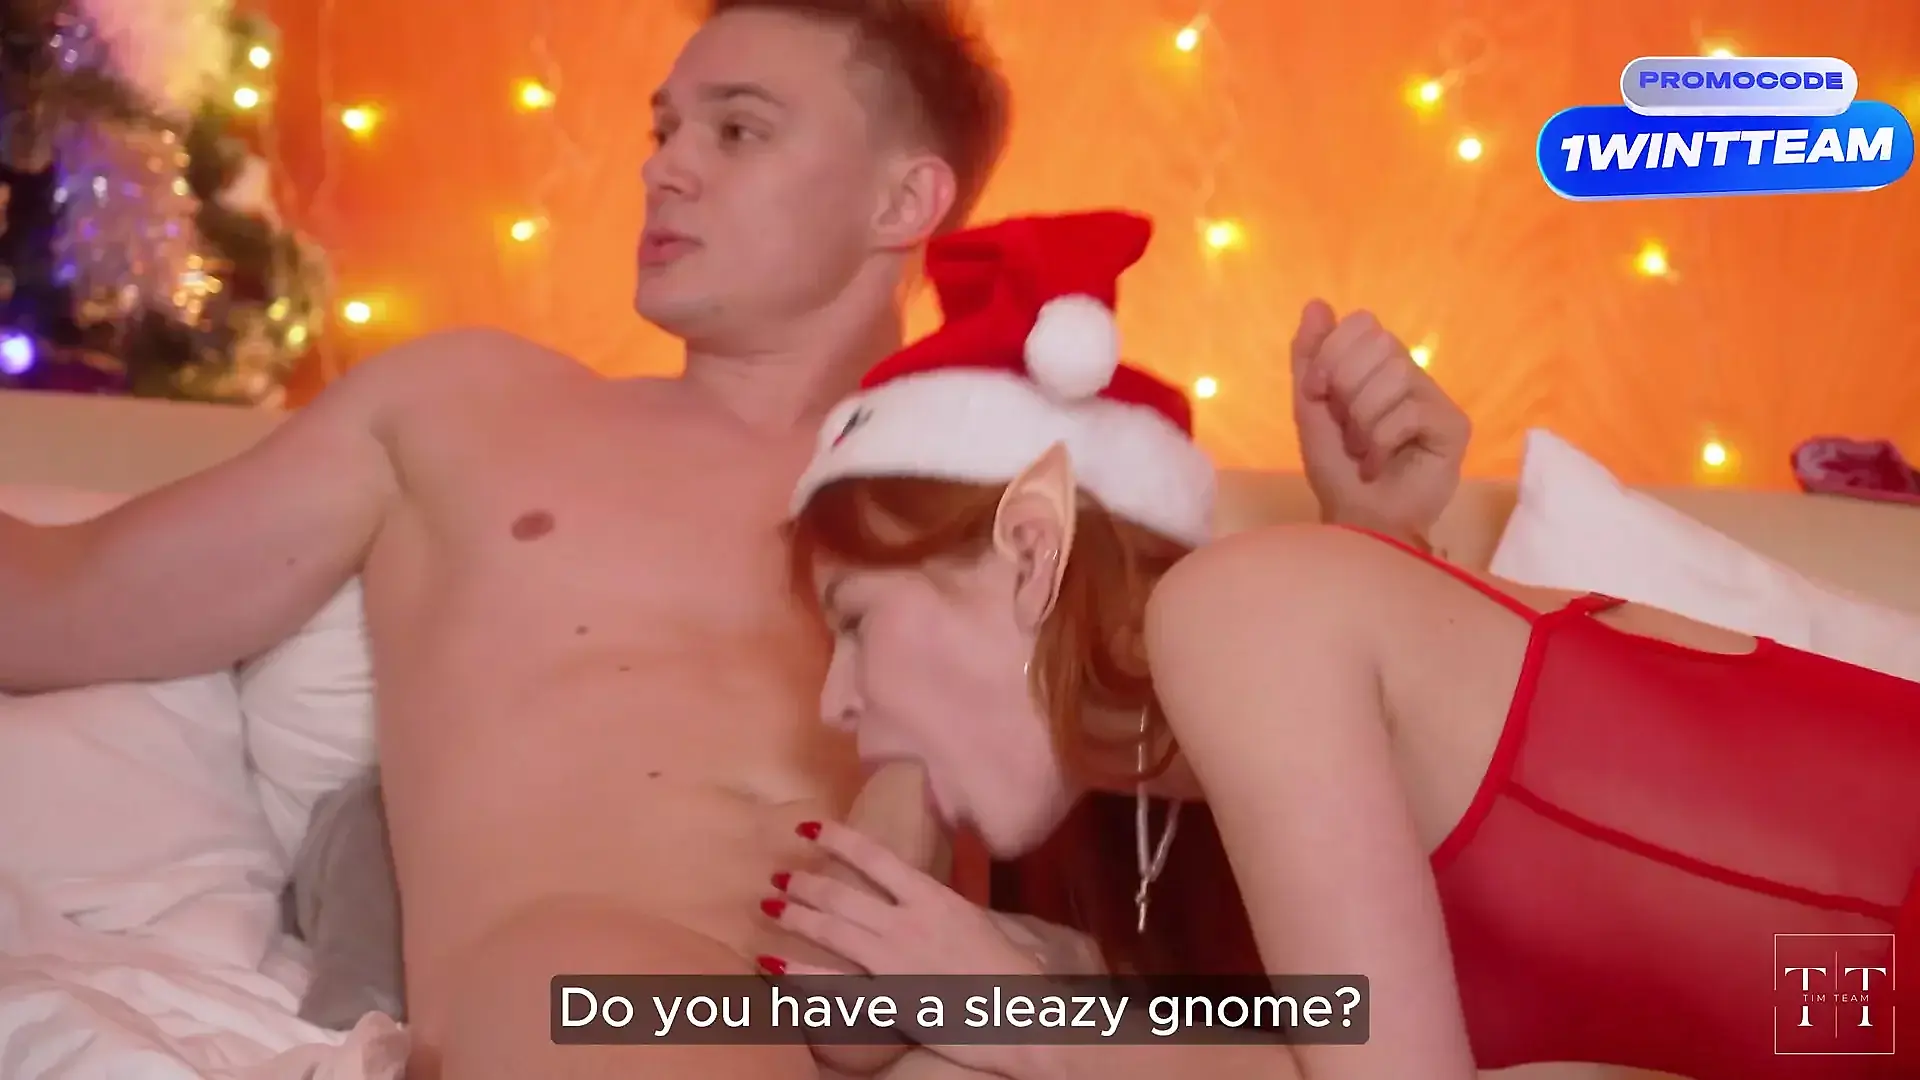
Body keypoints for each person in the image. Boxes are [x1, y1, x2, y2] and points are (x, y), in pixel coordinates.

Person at [0, 3, 1469, 1078]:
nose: (665, 168)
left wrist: (1372, 544)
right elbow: (51, 602)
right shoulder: (461, 413)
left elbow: (1284, 847)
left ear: (906, 199)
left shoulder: (1027, 486)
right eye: (664, 130)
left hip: (945, 1025)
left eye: (738, 131)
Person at [769, 207, 1920, 1080]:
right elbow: (847, 1023)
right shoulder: (1146, 829)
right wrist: (922, 777)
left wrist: (1041, 1030)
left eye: (856, 621)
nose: (833, 702)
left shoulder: (1238, 613)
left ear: (1031, 551)